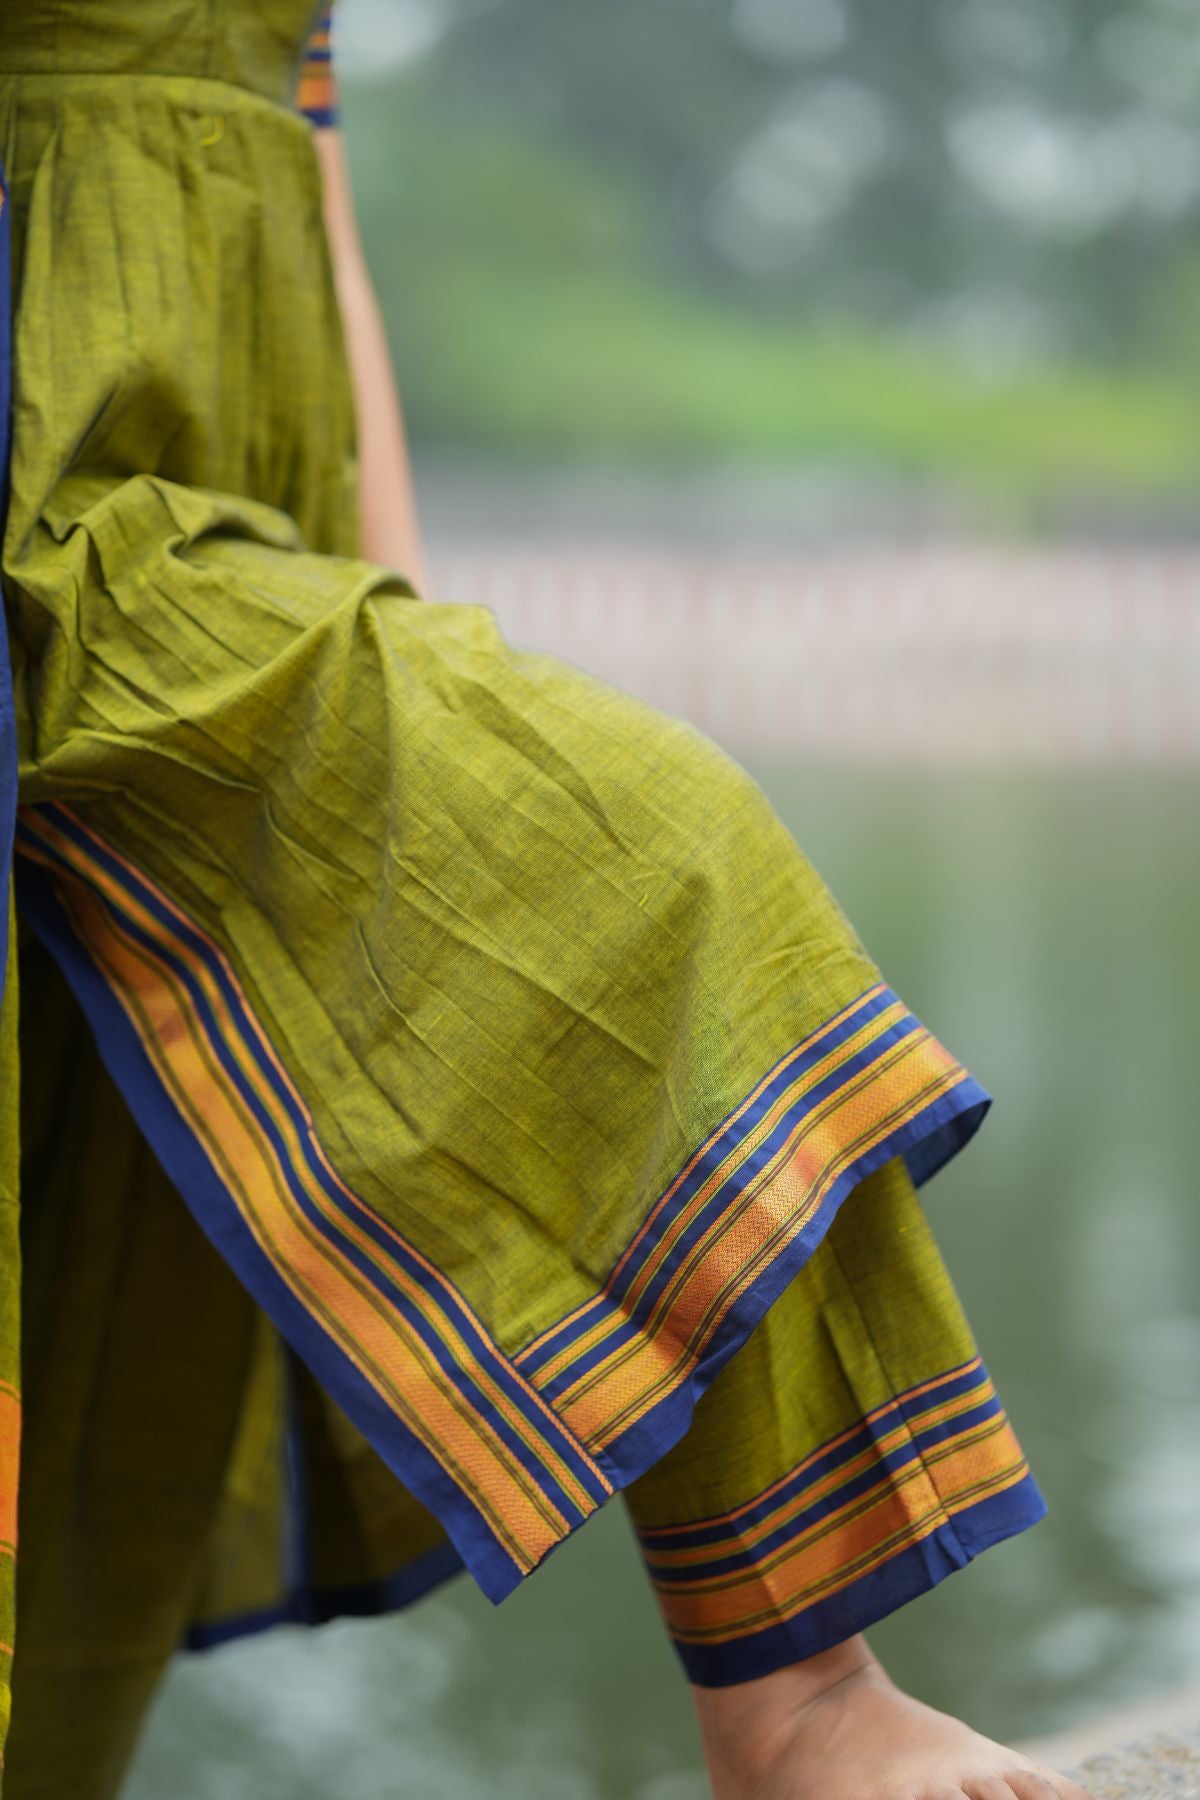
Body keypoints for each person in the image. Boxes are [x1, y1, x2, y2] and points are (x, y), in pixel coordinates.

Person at [0, 6, 1093, 1797]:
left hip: (238, 491)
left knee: (102, 1312)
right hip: (52, 488)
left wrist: (408, 625)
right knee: (661, 849)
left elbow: (315, 175)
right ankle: (794, 1699)